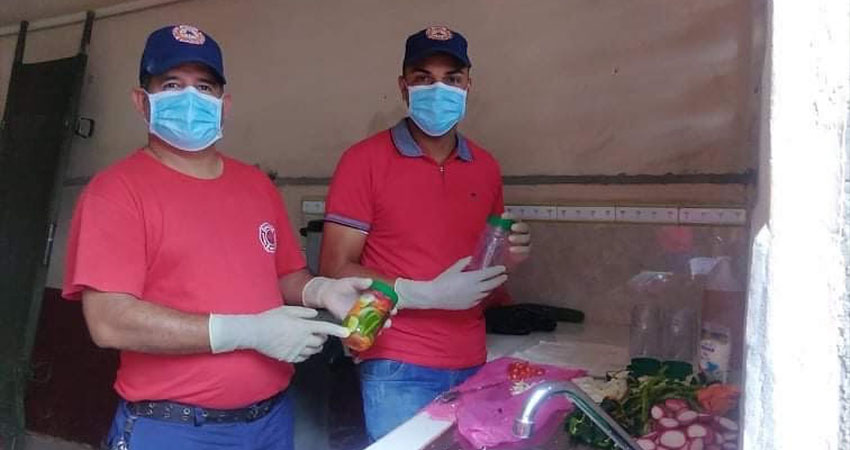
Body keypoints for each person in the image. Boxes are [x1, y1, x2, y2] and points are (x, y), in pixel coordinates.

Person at [62, 24, 368, 450]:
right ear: (142, 102)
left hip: (272, 420)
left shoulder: (256, 185)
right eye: (172, 84)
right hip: (176, 430)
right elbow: (109, 321)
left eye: (204, 87)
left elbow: (283, 276)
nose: (191, 98)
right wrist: (245, 332)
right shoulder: (116, 192)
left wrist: (322, 290)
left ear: (224, 105)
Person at [319, 25, 532, 440]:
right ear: (403, 87)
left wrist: (509, 256)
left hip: (473, 359)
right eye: (423, 78)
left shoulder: (485, 166)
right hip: (396, 365)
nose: (440, 90)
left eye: (452, 79)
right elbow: (334, 270)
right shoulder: (363, 161)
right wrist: (421, 292)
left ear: (468, 84)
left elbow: (481, 269)